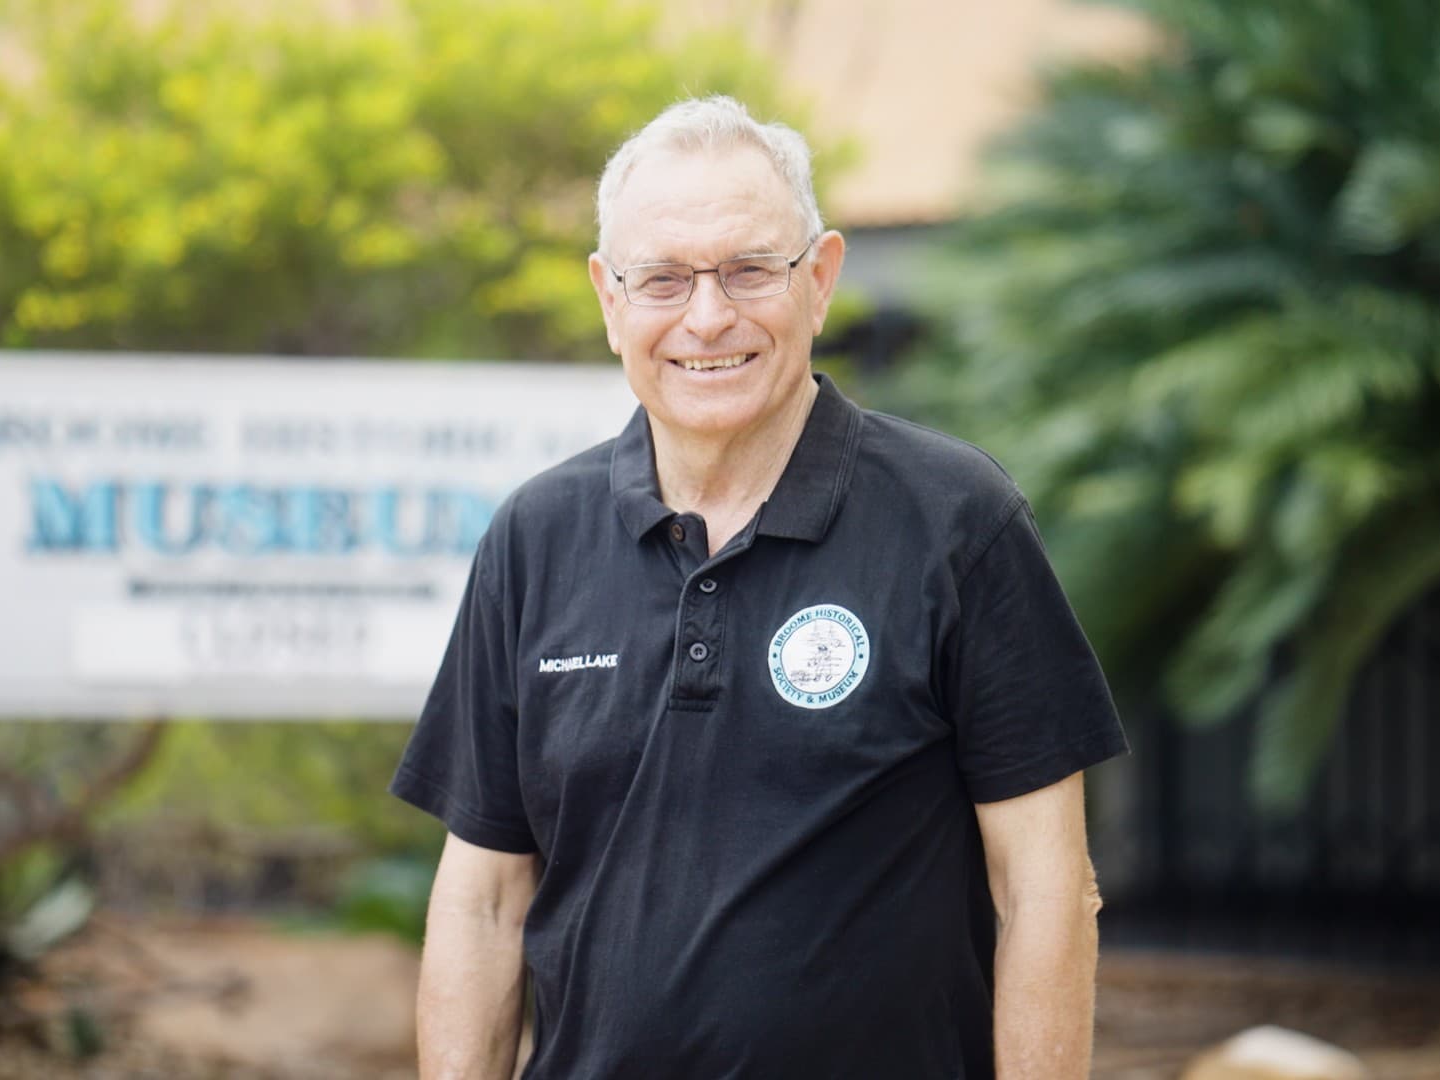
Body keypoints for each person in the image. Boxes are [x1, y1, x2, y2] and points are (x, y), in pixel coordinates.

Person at [390, 96, 1128, 1079]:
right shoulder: (535, 539)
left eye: (748, 270)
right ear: (611, 300)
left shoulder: (957, 522)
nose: (708, 317)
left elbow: (1043, 888)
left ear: (819, 279)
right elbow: (483, 899)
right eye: (663, 279)